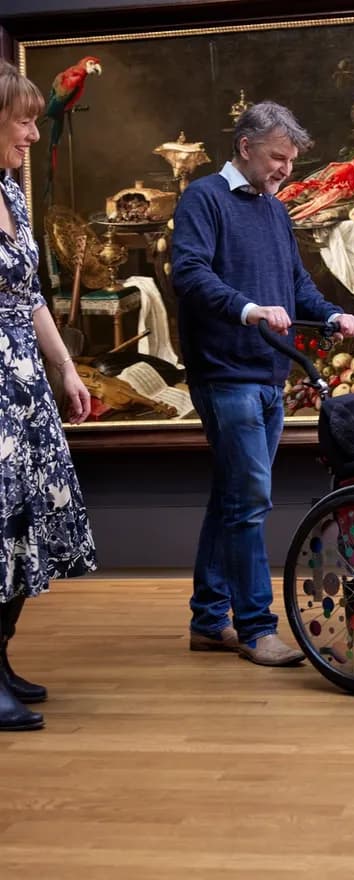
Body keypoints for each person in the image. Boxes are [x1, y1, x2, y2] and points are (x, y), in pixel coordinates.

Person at [172, 101, 354, 667]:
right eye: (278, 157)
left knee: (234, 495)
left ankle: (210, 620)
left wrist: (332, 314)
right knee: (251, 500)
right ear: (245, 146)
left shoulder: (275, 211)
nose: (286, 169)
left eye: (291, 160)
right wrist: (248, 308)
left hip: (268, 376)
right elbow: (189, 273)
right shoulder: (204, 198)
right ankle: (256, 628)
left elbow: (297, 284)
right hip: (224, 373)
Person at [0, 60, 96, 731]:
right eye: (24, 121)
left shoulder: (11, 192)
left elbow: (29, 293)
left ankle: (0, 658)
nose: (35, 134)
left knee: (28, 521)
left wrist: (65, 368)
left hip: (23, 383)